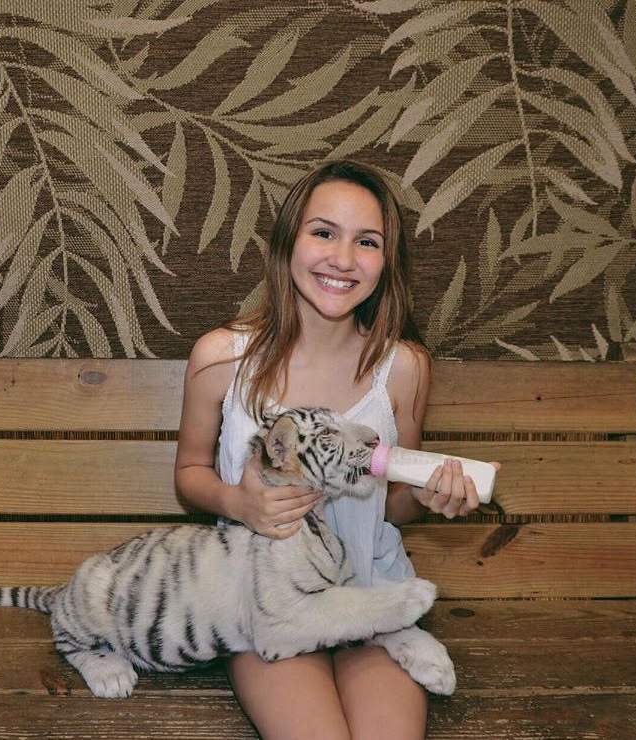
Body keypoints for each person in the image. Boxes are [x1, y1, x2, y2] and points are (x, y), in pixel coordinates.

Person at [175, 159, 486, 740]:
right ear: (288, 241)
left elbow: (390, 506)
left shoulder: (405, 368)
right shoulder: (220, 359)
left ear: (385, 261)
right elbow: (189, 474)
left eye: (366, 242)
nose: (343, 259)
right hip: (268, 603)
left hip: (373, 596)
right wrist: (239, 503)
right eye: (324, 232)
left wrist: (428, 498)